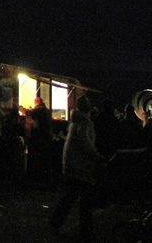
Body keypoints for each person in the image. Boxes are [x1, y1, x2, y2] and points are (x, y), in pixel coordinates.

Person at [50, 95, 103, 241]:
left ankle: (56, 222)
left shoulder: (75, 121)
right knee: (85, 200)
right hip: (80, 166)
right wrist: (96, 155)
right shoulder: (84, 122)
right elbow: (85, 142)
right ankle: (86, 232)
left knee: (70, 196)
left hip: (73, 164)